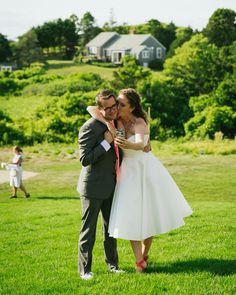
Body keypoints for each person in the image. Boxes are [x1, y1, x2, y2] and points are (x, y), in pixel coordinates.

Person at [87, 88, 193, 273]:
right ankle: (139, 262)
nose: (116, 107)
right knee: (131, 215)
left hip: (146, 170)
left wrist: (130, 144)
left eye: (121, 104)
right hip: (127, 173)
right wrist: (107, 122)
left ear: (132, 107)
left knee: (149, 214)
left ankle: (145, 253)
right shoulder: (116, 120)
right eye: (116, 102)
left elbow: (143, 144)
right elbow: (91, 108)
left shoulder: (140, 122)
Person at [77, 90, 124, 280]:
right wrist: (105, 143)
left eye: (115, 106)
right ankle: (85, 270)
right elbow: (84, 159)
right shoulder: (89, 127)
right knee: (88, 230)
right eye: (108, 108)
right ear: (100, 109)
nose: (113, 110)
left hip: (112, 186)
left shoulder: (115, 124)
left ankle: (113, 266)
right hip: (93, 188)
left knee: (110, 229)